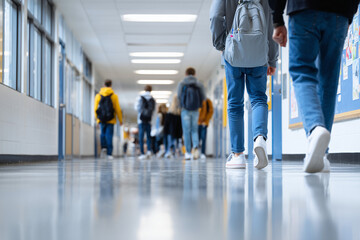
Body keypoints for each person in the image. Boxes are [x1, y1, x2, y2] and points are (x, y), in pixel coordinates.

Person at [268, 0, 360, 173]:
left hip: (303, 8)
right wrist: (349, 14)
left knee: (302, 72)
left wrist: (277, 19)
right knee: (329, 80)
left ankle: (315, 128)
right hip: (339, 13)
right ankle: (322, 155)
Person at [210, 0, 278, 169]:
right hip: (259, 53)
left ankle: (238, 155)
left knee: (235, 103)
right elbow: (271, 23)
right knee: (259, 99)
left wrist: (221, 45)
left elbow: (215, 16)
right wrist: (272, 58)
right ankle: (260, 138)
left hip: (233, 52)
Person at [177, 68, 206, 160]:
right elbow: (204, 97)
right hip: (195, 109)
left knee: (186, 131)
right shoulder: (199, 84)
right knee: (194, 130)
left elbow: (178, 96)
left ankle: (188, 153)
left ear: (186, 74)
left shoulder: (182, 83)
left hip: (185, 109)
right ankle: (196, 148)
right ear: (195, 74)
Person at [94, 79, 123, 159]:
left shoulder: (98, 96)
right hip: (111, 119)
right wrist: (120, 120)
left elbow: (95, 108)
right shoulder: (114, 96)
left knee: (102, 134)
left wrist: (97, 119)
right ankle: (109, 154)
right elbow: (118, 109)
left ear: (104, 85)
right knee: (109, 135)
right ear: (110, 85)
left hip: (102, 119)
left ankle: (104, 148)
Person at [135, 85, 156, 160]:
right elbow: (154, 111)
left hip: (141, 120)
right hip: (149, 120)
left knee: (141, 137)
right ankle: (149, 151)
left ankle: (142, 153)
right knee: (148, 136)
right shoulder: (152, 99)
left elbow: (136, 108)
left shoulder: (140, 97)